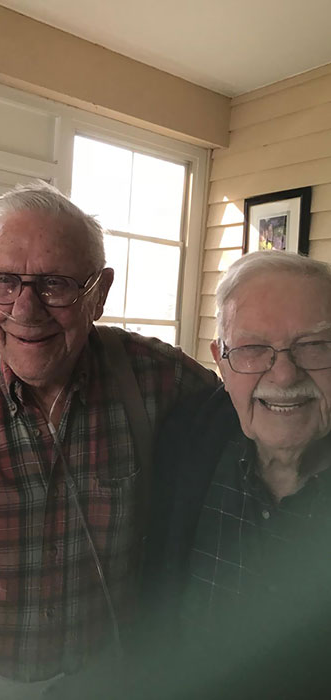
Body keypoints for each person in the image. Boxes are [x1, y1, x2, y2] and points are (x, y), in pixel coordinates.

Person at [0, 181, 217, 697]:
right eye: (3, 281)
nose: (24, 309)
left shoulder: (156, 378)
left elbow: (249, 417)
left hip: (115, 675)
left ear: (100, 293)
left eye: (54, 284)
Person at [141, 251, 331, 700]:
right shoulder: (186, 440)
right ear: (221, 362)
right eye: (251, 348)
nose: (283, 374)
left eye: (315, 345)